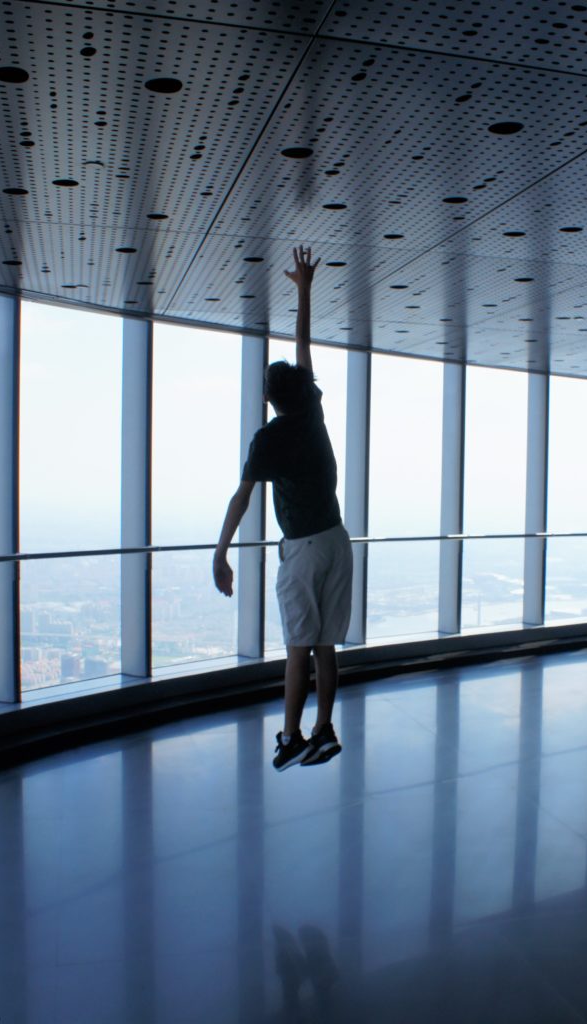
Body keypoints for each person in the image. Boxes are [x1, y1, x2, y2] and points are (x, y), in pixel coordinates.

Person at [212, 245, 353, 771]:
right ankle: (323, 730)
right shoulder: (311, 411)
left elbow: (242, 497)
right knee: (324, 647)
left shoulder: (268, 438)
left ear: (268, 396)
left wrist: (221, 552)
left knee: (299, 645)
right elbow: (304, 348)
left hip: (305, 548)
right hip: (338, 540)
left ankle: (292, 736)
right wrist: (304, 291)